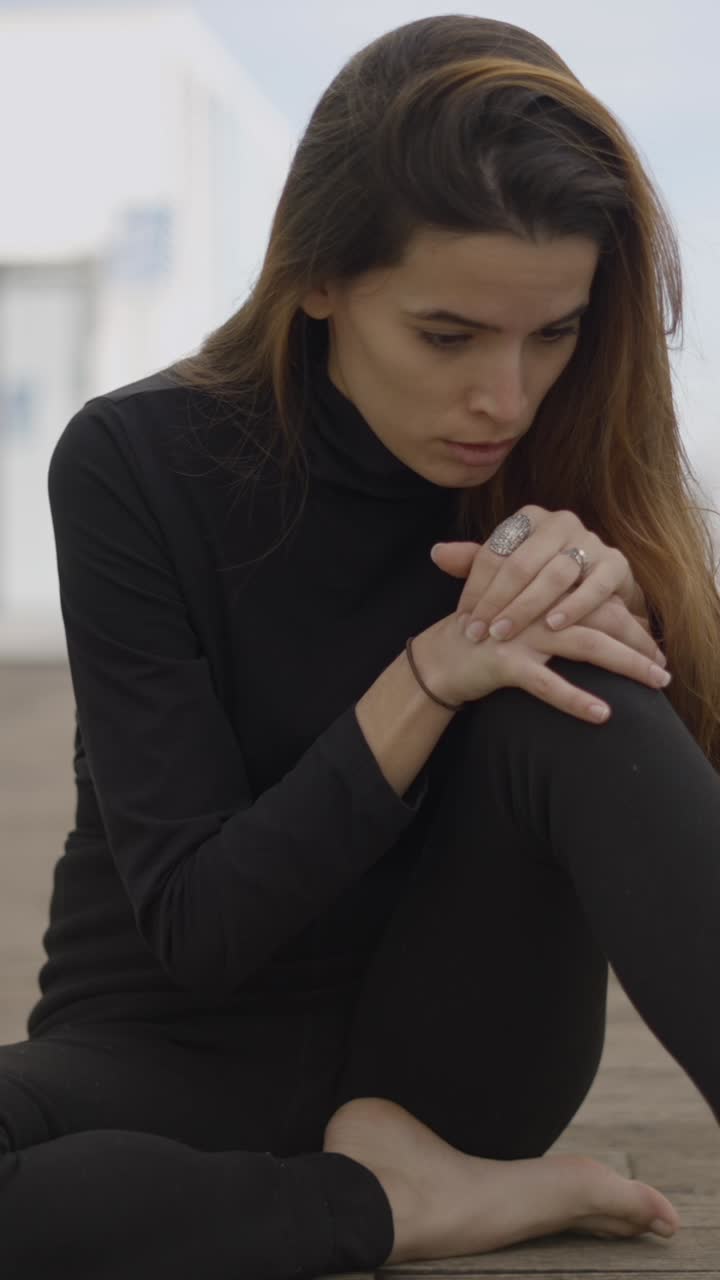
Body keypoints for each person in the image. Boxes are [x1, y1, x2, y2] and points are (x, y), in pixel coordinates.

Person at [2, 13, 718, 1278]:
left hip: (458, 1068)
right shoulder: (137, 464)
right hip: (169, 1051)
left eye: (551, 332)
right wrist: (430, 674)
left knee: (569, 670)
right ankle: (394, 1206)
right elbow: (200, 927)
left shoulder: (570, 464)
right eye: (448, 335)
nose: (506, 395)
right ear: (318, 279)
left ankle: (410, 1174)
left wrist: (636, 619)